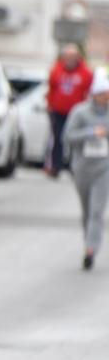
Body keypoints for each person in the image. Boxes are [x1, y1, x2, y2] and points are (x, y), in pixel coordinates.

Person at [63, 70, 109, 270]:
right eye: (102, 94)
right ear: (94, 94)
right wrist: (91, 133)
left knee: (97, 211)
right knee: (87, 210)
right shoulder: (80, 112)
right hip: (82, 168)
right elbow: (69, 136)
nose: (105, 98)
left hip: (104, 168)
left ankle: (91, 249)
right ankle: (88, 242)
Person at [46, 43, 93, 178]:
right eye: (67, 56)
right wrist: (50, 105)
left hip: (77, 113)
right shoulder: (56, 70)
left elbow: (89, 92)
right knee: (57, 138)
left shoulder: (85, 73)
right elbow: (51, 90)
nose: (70, 59)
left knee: (76, 139)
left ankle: (75, 167)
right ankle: (55, 166)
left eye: (72, 56)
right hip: (59, 111)